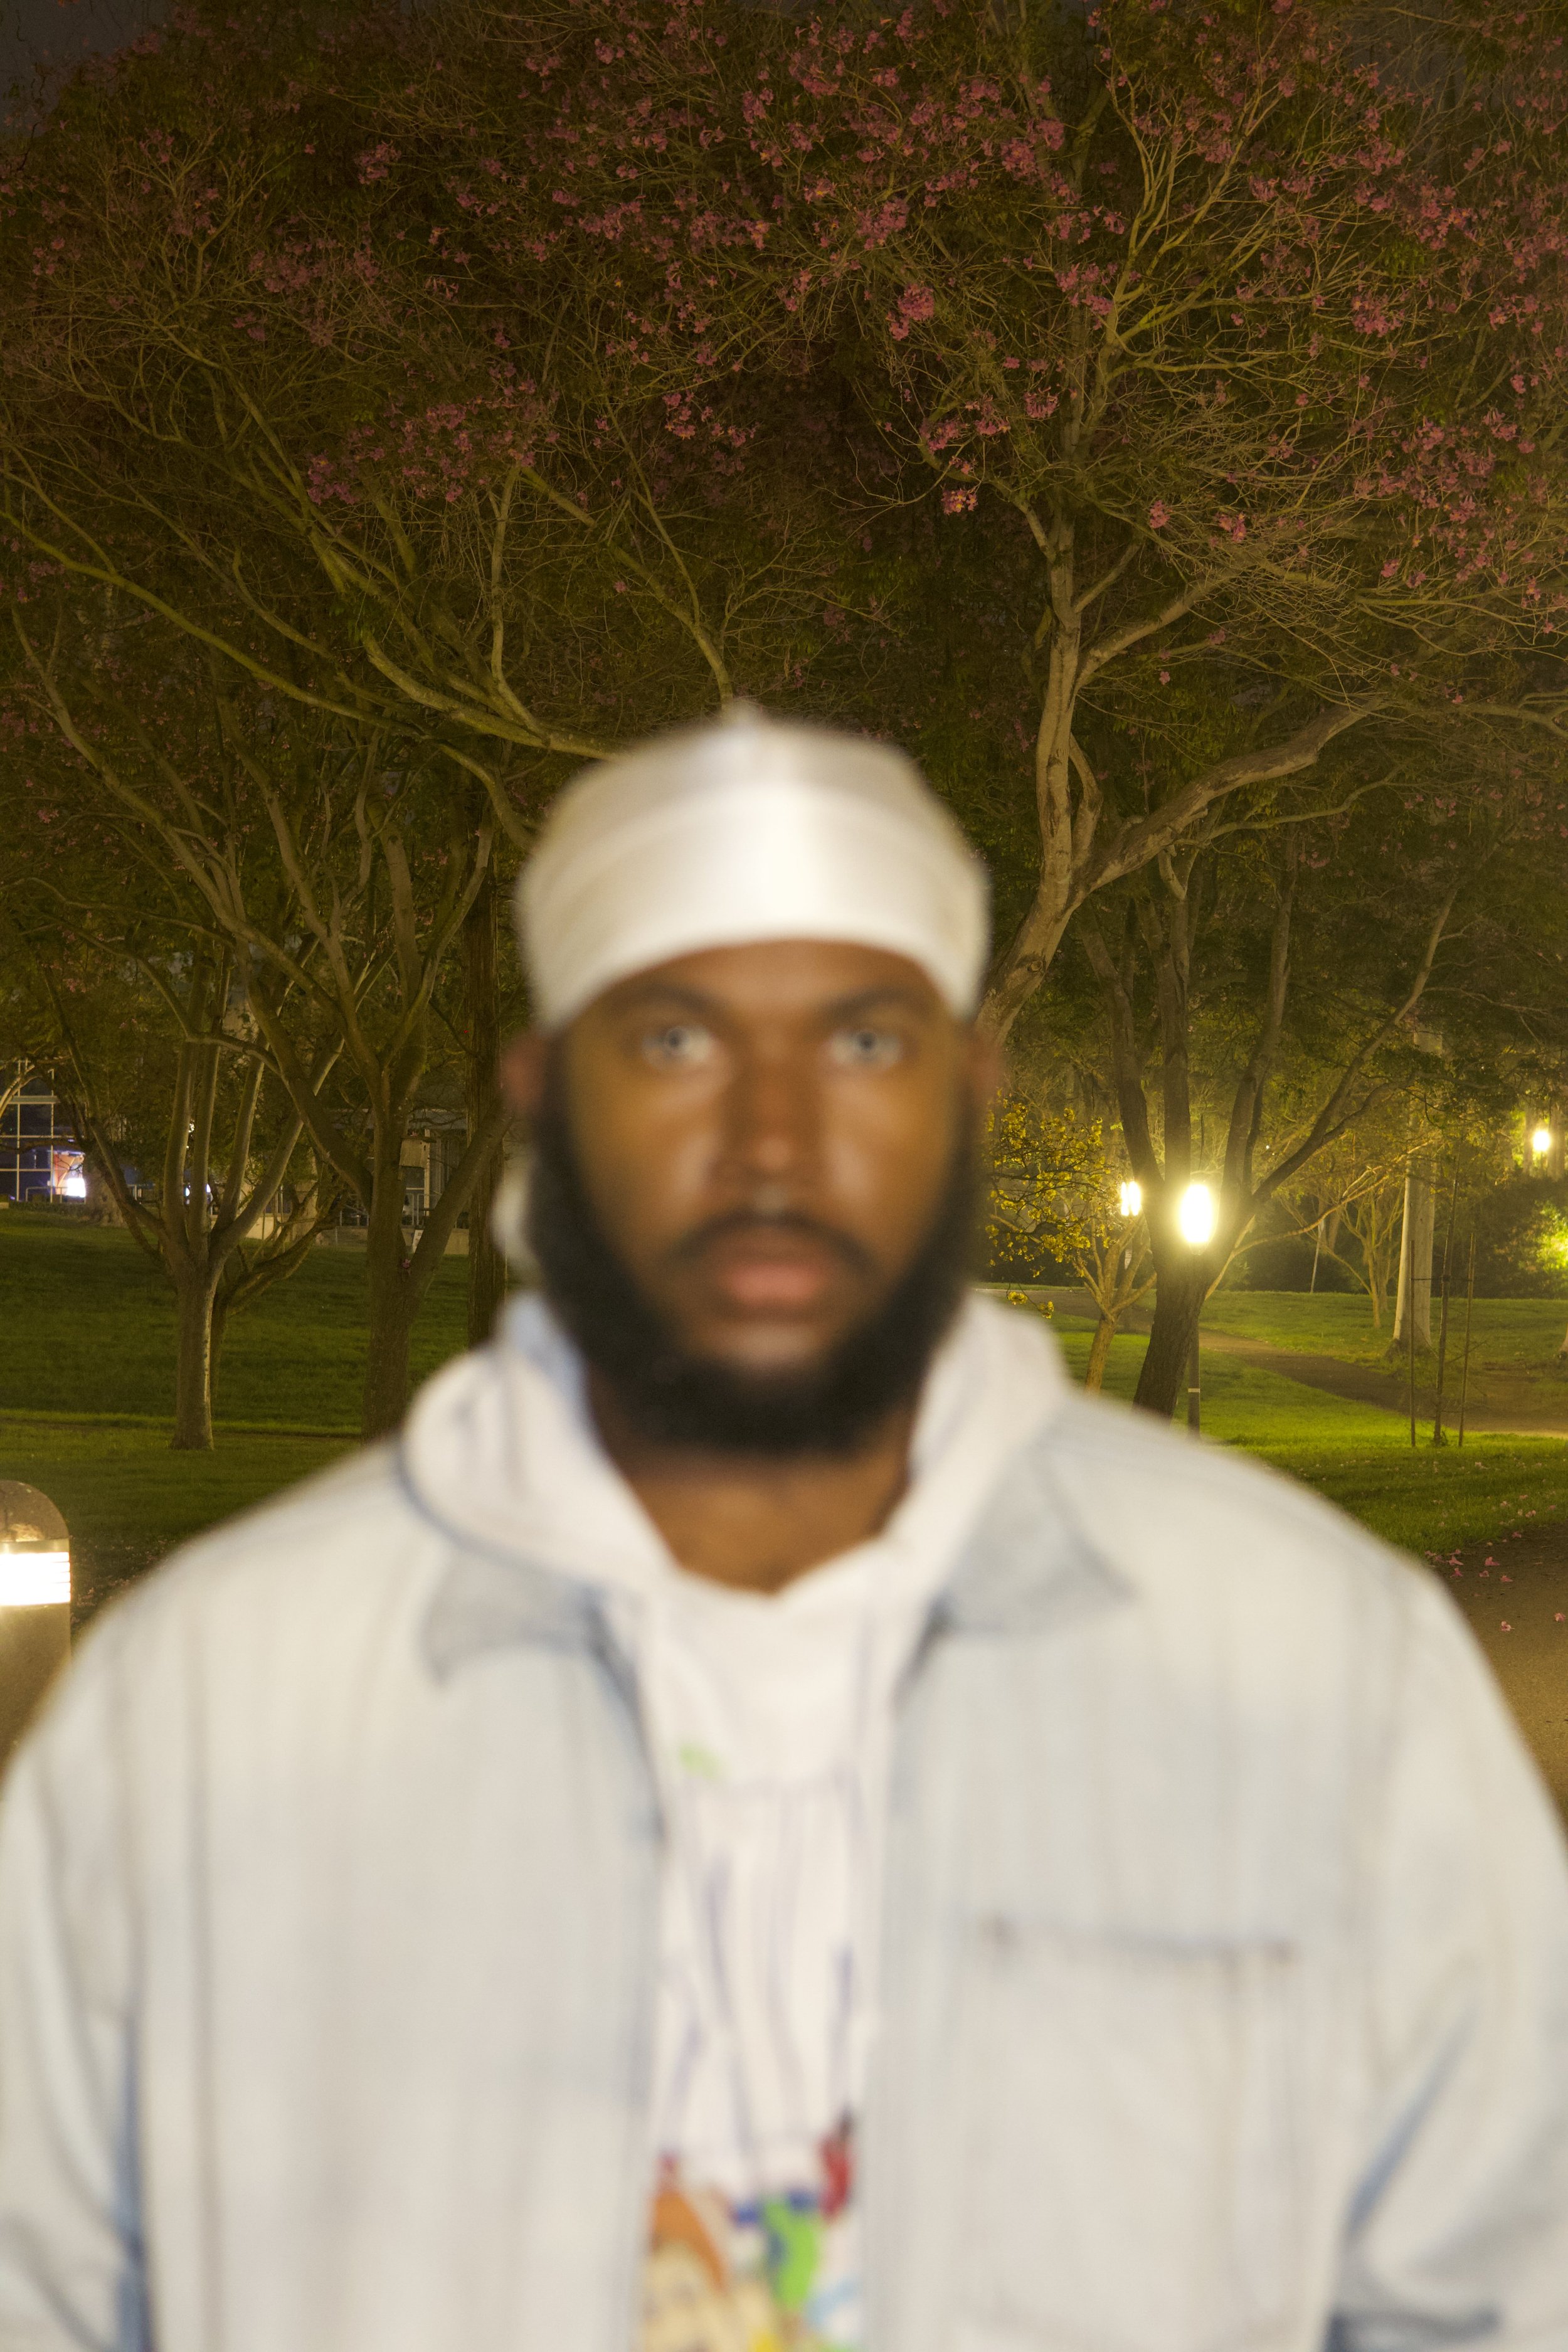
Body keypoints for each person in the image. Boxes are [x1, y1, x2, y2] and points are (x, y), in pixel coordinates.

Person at [0, 709, 1565, 2352]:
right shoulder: (210, 1708)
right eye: (674, 1040)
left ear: (970, 1089)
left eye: (863, 1043)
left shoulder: (1314, 1670)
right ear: (540, 1093)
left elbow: (1506, 2283)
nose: (771, 1135)